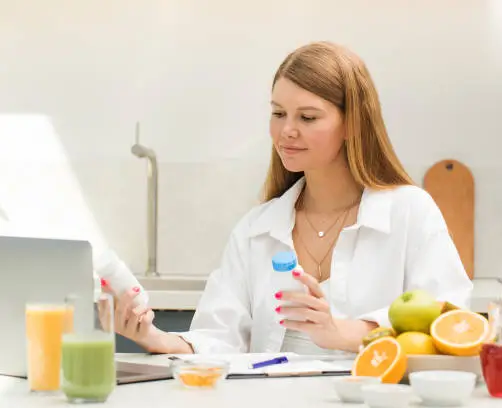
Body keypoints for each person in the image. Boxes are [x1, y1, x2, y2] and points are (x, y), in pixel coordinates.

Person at [106, 41, 474, 355]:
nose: (287, 131)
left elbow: (449, 324)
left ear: (352, 124)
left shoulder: (410, 211)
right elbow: (219, 339)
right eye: (278, 113)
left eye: (308, 117)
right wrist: (155, 338)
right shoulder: (256, 229)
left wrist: (342, 333)